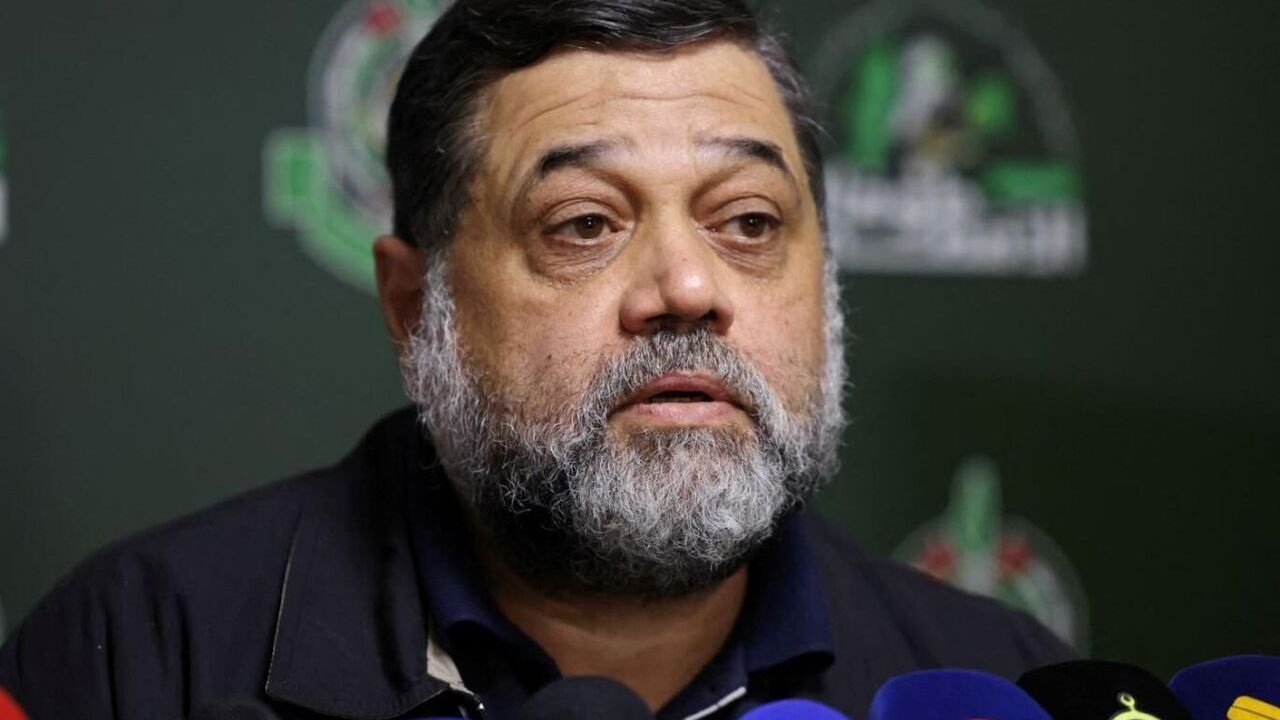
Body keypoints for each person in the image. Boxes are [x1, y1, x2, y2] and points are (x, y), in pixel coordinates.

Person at [0, 0, 1072, 717]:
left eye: (748, 222)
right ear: (414, 308)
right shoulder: (139, 658)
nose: (686, 287)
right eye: (584, 224)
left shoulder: (1002, 686)